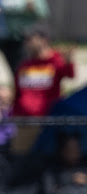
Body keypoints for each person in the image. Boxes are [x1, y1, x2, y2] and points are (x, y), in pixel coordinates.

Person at [11, 24, 75, 155]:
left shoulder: (56, 61)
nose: (27, 43)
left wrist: (69, 62)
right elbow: (17, 93)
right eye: (25, 40)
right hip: (25, 123)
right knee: (21, 159)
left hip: (47, 122)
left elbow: (70, 75)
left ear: (44, 40)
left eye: (30, 39)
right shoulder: (25, 65)